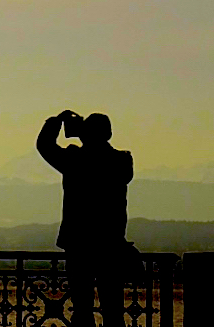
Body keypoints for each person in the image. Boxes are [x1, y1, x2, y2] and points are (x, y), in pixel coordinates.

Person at [37, 110, 134, 327]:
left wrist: (56, 122)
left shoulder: (74, 159)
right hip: (111, 243)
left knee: (82, 310)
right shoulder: (122, 160)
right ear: (108, 133)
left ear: (85, 134)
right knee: (113, 310)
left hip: (79, 243)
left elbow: (44, 146)